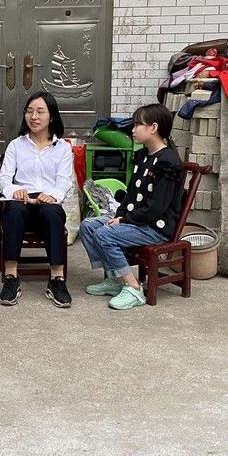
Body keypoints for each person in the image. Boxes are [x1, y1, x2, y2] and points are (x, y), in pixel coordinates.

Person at [79, 103, 183, 310]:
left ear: (153, 128)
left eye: (137, 125)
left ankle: (134, 288)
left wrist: (125, 220)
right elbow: (130, 195)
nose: (133, 130)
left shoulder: (167, 161)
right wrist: (119, 215)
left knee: (105, 234)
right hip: (136, 221)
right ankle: (115, 280)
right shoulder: (143, 156)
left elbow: (156, 208)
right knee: (88, 226)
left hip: (155, 227)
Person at [0, 91, 73, 308]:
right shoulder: (16, 145)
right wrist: (14, 190)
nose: (34, 117)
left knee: (52, 212)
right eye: (29, 111)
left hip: (48, 201)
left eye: (40, 112)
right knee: (14, 211)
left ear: (52, 116)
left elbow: (64, 181)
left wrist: (53, 195)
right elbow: (3, 179)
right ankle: (11, 277)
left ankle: (57, 279)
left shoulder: (63, 148)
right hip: (22, 201)